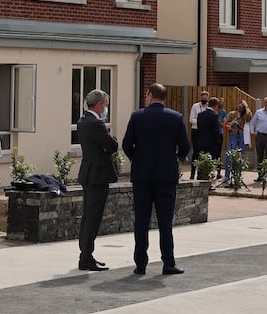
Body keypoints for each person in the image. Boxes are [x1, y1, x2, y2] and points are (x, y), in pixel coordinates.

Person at [123, 83, 191, 275]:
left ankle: (140, 264)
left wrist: (137, 159)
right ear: (164, 97)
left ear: (150, 95)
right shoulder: (175, 117)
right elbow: (185, 147)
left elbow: (126, 144)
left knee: (141, 221)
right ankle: (168, 262)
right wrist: (174, 159)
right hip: (166, 175)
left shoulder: (137, 116)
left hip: (142, 176)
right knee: (165, 222)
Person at [76, 89, 117, 271]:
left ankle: (86, 254)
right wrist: (110, 142)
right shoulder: (96, 123)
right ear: (99, 105)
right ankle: (86, 257)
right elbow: (112, 145)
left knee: (88, 215)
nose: (106, 108)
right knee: (93, 217)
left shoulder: (83, 121)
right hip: (98, 175)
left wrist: (106, 145)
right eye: (105, 105)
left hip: (88, 173)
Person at [191, 97, 220, 180]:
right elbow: (215, 131)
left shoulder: (200, 115)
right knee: (209, 160)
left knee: (199, 158)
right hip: (210, 142)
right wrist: (217, 141)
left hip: (200, 140)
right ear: (215, 106)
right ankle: (206, 177)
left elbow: (199, 127)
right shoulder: (214, 116)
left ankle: (197, 175)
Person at [222, 101, 251, 182]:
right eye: (239, 105)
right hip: (233, 135)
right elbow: (226, 125)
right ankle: (226, 176)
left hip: (242, 136)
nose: (240, 107)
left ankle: (238, 176)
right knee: (229, 155)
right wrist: (234, 119)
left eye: (242, 106)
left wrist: (246, 106)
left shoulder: (245, 115)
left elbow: (249, 118)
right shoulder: (231, 114)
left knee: (241, 156)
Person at [187, 91, 209, 177]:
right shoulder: (195, 106)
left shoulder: (208, 107)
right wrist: (201, 122)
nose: (204, 99)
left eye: (205, 98)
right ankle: (192, 173)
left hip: (205, 132)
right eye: (203, 98)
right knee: (196, 152)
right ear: (200, 98)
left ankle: (201, 174)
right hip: (196, 131)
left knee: (203, 153)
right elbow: (191, 119)